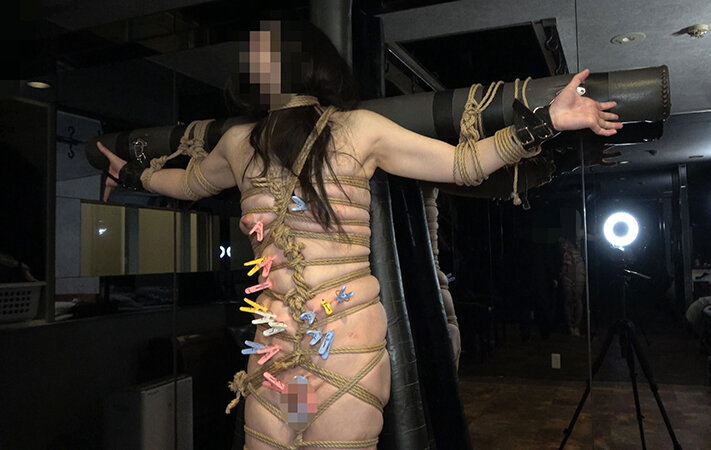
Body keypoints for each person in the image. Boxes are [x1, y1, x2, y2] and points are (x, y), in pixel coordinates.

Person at [97, 20, 621, 450]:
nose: (252, 63)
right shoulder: (241, 141)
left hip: (343, 345)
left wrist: (547, 122)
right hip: (280, 350)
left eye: (263, 54)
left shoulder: (356, 129)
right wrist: (131, 175)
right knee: (282, 440)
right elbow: (190, 182)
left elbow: (463, 164)